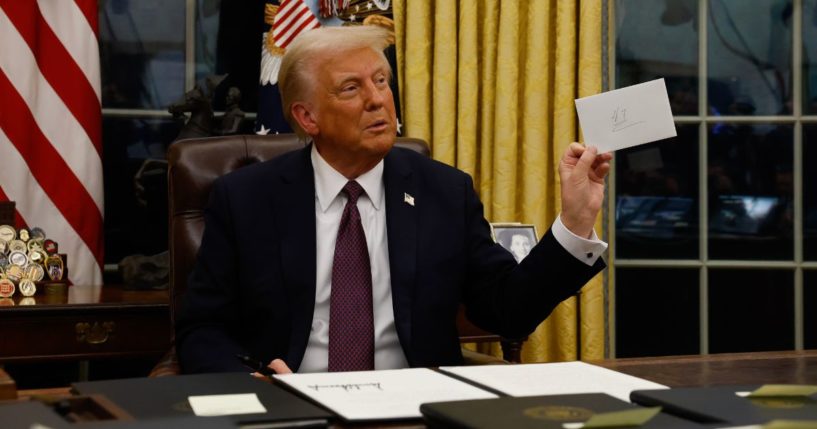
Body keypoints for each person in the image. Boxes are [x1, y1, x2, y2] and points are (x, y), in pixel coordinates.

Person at [175, 25, 612, 375]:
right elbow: (202, 328)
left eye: (381, 81)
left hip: (412, 410)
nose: (377, 99)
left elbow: (506, 310)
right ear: (307, 117)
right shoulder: (248, 199)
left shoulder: (444, 192)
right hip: (292, 408)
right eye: (351, 88)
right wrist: (251, 382)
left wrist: (573, 225)